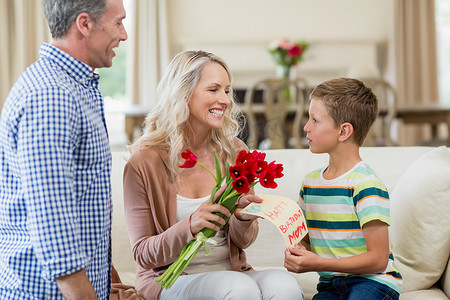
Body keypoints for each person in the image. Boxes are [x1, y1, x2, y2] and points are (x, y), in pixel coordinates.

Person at [123, 50, 304, 300]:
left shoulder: (235, 151)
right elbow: (143, 253)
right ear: (183, 93)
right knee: (238, 287)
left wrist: (242, 219)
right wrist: (191, 225)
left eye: (227, 91)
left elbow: (243, 242)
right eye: (214, 90)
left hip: (231, 271)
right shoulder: (144, 162)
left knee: (283, 284)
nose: (226, 100)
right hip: (171, 279)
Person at [0, 0, 127, 299]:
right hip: (47, 293)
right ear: (84, 24)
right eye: (118, 22)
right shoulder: (52, 96)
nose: (124, 35)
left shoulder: (73, 86)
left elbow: (81, 202)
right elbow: (52, 220)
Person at [284, 78, 403, 300]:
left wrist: (319, 263)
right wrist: (296, 250)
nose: (305, 127)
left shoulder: (366, 185)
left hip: (373, 282)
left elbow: (378, 260)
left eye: (315, 120)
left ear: (343, 131)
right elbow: (305, 239)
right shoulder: (310, 183)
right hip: (330, 285)